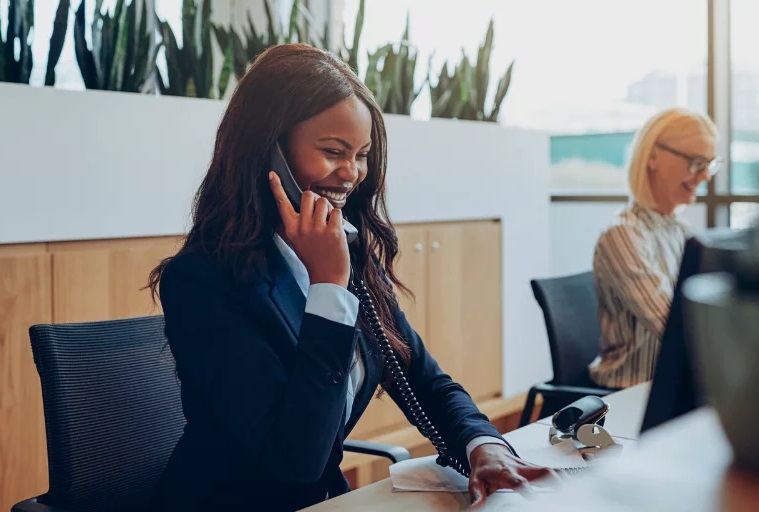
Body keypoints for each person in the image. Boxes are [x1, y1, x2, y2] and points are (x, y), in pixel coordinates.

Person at [147, 43, 554, 512]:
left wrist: (484, 446)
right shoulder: (202, 282)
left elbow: (425, 379)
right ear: (268, 151)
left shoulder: (350, 256)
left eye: (360, 155)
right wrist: (328, 289)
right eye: (333, 152)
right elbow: (294, 463)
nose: (351, 174)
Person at [589, 107, 720, 389]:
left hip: (676, 387)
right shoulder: (623, 235)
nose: (706, 176)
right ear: (653, 157)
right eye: (697, 163)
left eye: (710, 164)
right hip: (633, 391)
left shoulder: (683, 232)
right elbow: (674, 326)